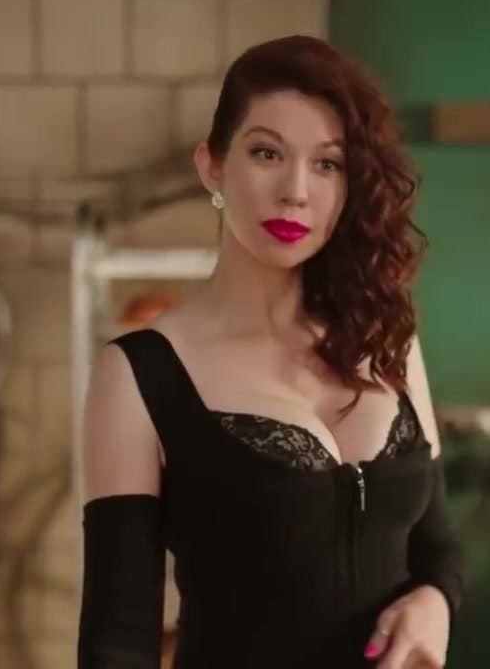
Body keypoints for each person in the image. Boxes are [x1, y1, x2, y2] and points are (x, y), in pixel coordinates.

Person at [76, 34, 464, 669]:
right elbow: (117, 644)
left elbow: (438, 549)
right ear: (212, 167)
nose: (295, 191)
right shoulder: (138, 374)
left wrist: (434, 603)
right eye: (266, 153)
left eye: (327, 164)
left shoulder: (388, 338)